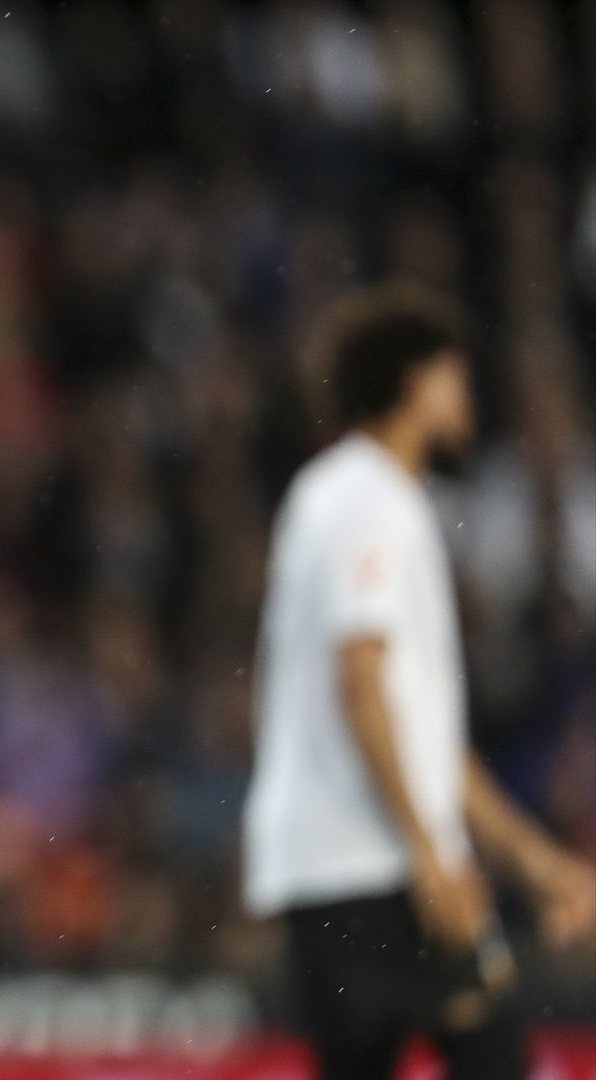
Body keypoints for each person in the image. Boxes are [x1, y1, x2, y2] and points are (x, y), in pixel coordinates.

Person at [242, 284, 596, 1079]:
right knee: (496, 1059)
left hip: (361, 872)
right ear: (416, 382)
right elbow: (360, 684)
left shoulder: (348, 496)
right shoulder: (371, 499)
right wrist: (429, 852)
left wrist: (534, 862)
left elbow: (422, 736)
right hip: (372, 875)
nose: (468, 395)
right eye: (456, 375)